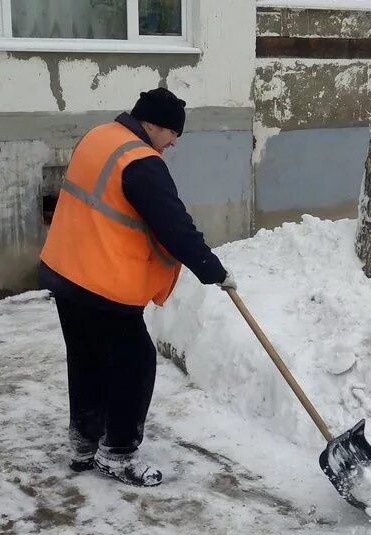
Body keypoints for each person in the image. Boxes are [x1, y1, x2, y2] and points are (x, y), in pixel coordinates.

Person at [38, 87, 237, 487]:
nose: (175, 142)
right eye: (172, 133)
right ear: (152, 124)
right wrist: (212, 269)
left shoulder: (99, 137)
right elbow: (173, 225)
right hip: (102, 284)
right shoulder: (140, 162)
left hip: (65, 272)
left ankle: (83, 445)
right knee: (135, 364)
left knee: (86, 359)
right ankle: (117, 453)